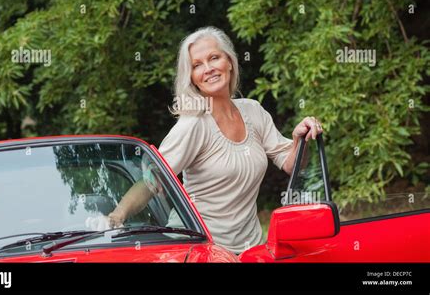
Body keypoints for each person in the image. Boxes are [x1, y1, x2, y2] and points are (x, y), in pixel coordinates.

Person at [107, 26, 323, 254]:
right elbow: (151, 180)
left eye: (214, 58)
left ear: (229, 62)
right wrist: (117, 215)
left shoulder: (253, 111)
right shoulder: (193, 125)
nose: (208, 69)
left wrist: (300, 140)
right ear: (192, 78)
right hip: (201, 249)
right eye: (197, 65)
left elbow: (292, 165)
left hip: (251, 248)